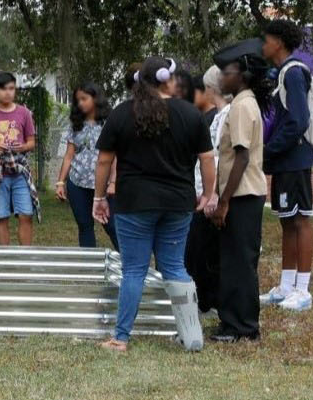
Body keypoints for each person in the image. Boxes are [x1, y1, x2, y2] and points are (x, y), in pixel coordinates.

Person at [93, 57, 216, 352]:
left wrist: (98, 197)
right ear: (167, 80)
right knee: (175, 267)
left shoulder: (122, 113)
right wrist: (208, 194)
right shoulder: (190, 113)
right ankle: (192, 335)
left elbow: (105, 160)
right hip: (178, 202)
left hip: (134, 203)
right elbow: (207, 159)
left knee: (134, 270)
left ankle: (121, 337)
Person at [205, 46, 272, 342]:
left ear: (242, 76)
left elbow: (241, 157)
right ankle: (233, 320)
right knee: (233, 259)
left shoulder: (243, 106)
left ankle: (242, 326)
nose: (222, 77)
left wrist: (224, 201)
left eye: (227, 72)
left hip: (243, 195)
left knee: (240, 262)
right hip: (241, 194)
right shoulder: (242, 103)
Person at [257, 19, 313, 312]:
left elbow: (298, 120)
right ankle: (286, 285)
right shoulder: (281, 73)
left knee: (300, 219)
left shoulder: (293, 72)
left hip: (294, 157)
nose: (263, 44)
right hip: (283, 160)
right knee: (286, 220)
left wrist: (270, 149)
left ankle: (303, 290)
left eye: (265, 39)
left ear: (279, 42)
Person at [0, 72, 38, 245]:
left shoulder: (24, 113)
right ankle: (6, 258)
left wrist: (23, 147)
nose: (8, 93)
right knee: (1, 217)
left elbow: (32, 142)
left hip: (20, 172)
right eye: (3, 89)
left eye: (11, 88)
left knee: (26, 214)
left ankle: (25, 256)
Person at [54, 82, 117, 249]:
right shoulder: (75, 124)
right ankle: (90, 267)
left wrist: (113, 182)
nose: (80, 103)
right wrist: (60, 182)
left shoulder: (110, 123)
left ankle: (130, 265)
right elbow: (69, 156)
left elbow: (116, 155)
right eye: (77, 100)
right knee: (85, 226)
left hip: (104, 185)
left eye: (84, 98)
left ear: (95, 98)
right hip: (77, 183)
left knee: (112, 226)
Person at [184, 66, 226, 313]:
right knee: (198, 251)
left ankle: (209, 299)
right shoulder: (209, 117)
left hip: (206, 193)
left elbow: (214, 159)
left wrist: (211, 193)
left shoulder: (214, 119)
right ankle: (204, 297)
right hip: (201, 191)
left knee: (205, 251)